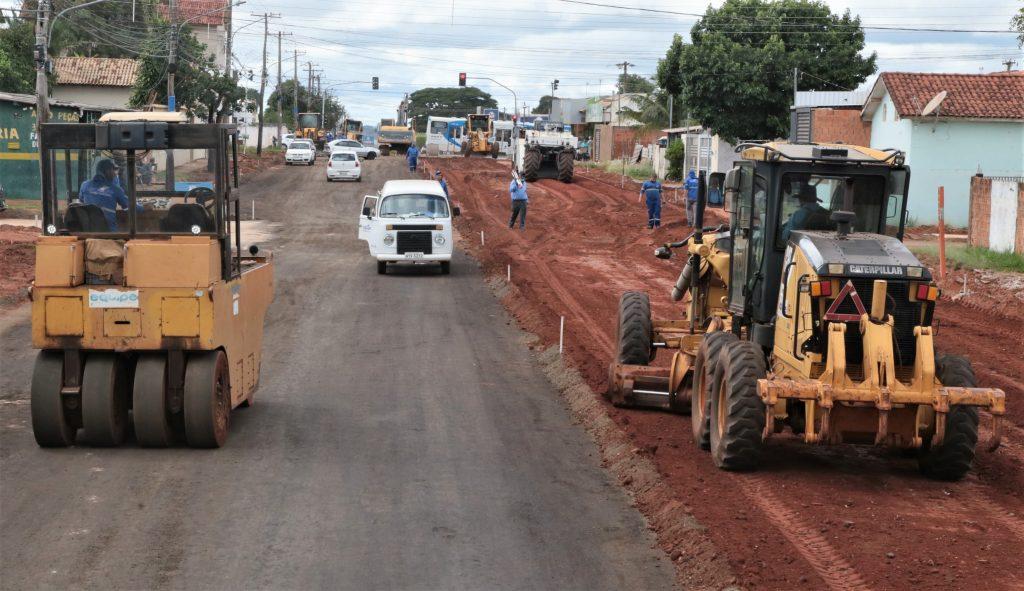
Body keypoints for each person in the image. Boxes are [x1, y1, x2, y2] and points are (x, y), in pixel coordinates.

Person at [79, 159, 143, 231]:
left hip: (89, 232)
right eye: (113, 170)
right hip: (109, 234)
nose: (115, 174)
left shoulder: (84, 185)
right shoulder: (115, 189)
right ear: (108, 171)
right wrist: (144, 207)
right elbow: (131, 208)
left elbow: (82, 200)